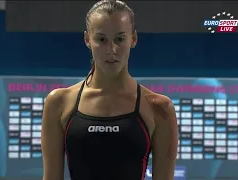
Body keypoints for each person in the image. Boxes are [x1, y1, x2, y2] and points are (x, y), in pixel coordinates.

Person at [41, 0, 178, 179]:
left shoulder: (158, 108)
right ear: (88, 40)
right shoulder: (59, 103)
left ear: (133, 39)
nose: (111, 50)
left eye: (120, 39)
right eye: (101, 39)